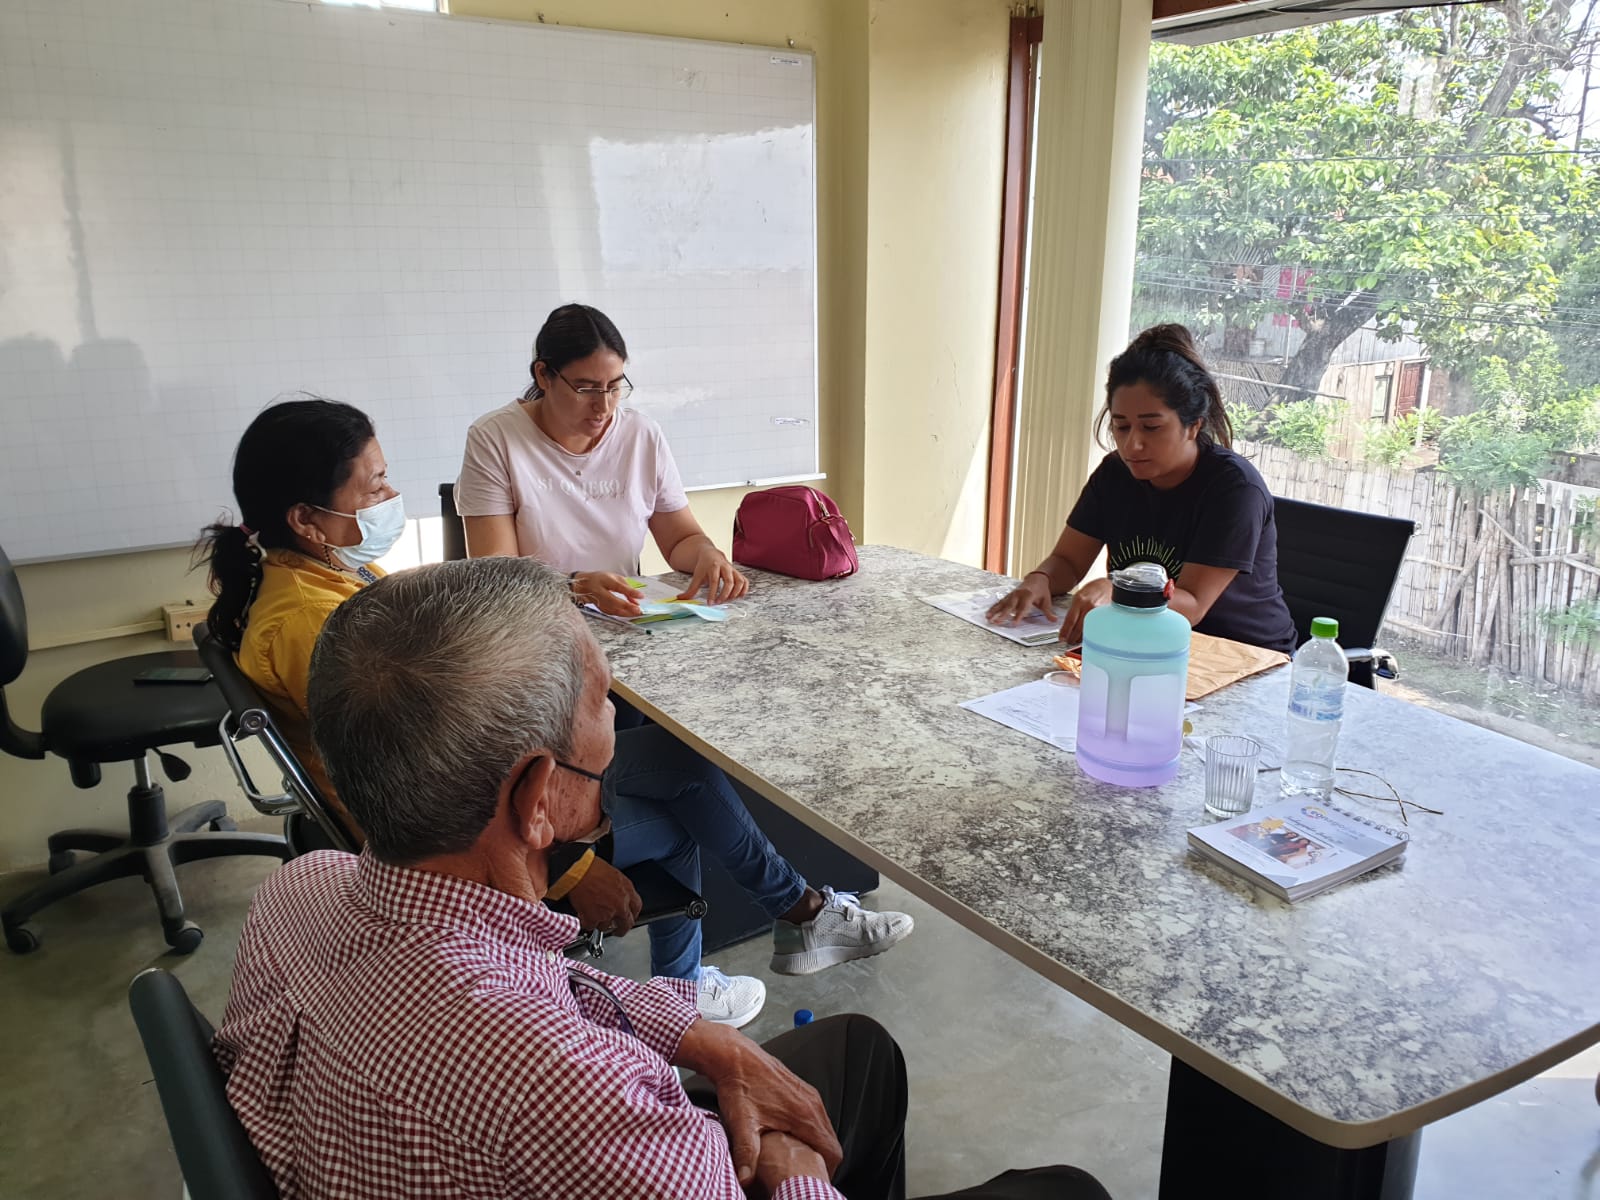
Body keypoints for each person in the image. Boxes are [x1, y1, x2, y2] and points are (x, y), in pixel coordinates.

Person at [213, 556, 1111, 1200]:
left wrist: (699, 1034)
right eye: (603, 703)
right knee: (1065, 1190)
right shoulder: (571, 1100)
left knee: (856, 1055)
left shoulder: (304, 889)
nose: (615, 726)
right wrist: (796, 1171)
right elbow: (546, 1059)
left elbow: (537, 984)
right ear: (536, 799)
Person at [197, 399, 903, 1031]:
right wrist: (567, 867)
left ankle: (755, 943)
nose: (390, 496)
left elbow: (443, 595)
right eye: (374, 485)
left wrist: (561, 587)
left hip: (471, 804)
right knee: (683, 801)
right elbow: (415, 781)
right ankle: (757, 944)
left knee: (674, 763)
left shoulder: (320, 577)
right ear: (305, 519)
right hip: (454, 841)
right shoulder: (310, 623)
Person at [454, 302, 914, 973]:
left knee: (684, 779)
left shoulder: (640, 435)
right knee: (686, 779)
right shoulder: (496, 439)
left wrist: (706, 557)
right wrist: (575, 584)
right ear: (543, 376)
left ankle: (702, 974)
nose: (603, 407)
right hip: (545, 671)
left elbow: (679, 535)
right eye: (585, 388)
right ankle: (779, 928)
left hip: (627, 647)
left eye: (616, 386)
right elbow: (494, 574)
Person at [988, 324, 1297, 654]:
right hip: (1146, 643)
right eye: (1121, 426)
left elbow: (1193, 605)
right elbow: (1068, 561)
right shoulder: (1115, 473)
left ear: (1193, 426)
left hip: (1244, 654)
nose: (1132, 444)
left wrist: (1118, 592)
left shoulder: (1234, 489)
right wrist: (1041, 578)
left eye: (1151, 427)